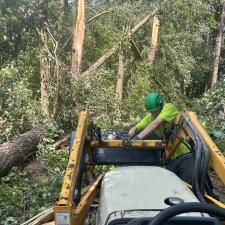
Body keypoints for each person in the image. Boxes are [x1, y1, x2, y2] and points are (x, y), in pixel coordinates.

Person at [128, 92, 194, 184]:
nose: (153, 113)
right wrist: (128, 137)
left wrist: (138, 137)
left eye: (155, 110)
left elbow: (156, 123)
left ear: (161, 105)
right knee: (172, 187)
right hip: (171, 157)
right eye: (151, 111)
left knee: (189, 187)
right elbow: (134, 128)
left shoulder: (169, 108)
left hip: (186, 154)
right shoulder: (149, 118)